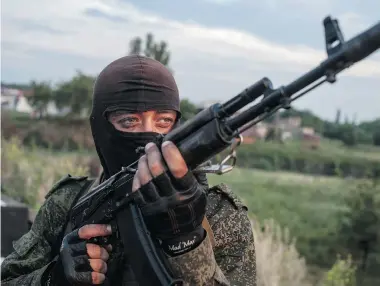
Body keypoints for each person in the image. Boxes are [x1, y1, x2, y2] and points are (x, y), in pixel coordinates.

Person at [1, 55, 256, 285]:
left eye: (163, 121)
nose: (150, 137)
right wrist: (53, 278)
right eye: (129, 121)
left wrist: (186, 240)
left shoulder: (218, 213)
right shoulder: (68, 203)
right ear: (100, 129)